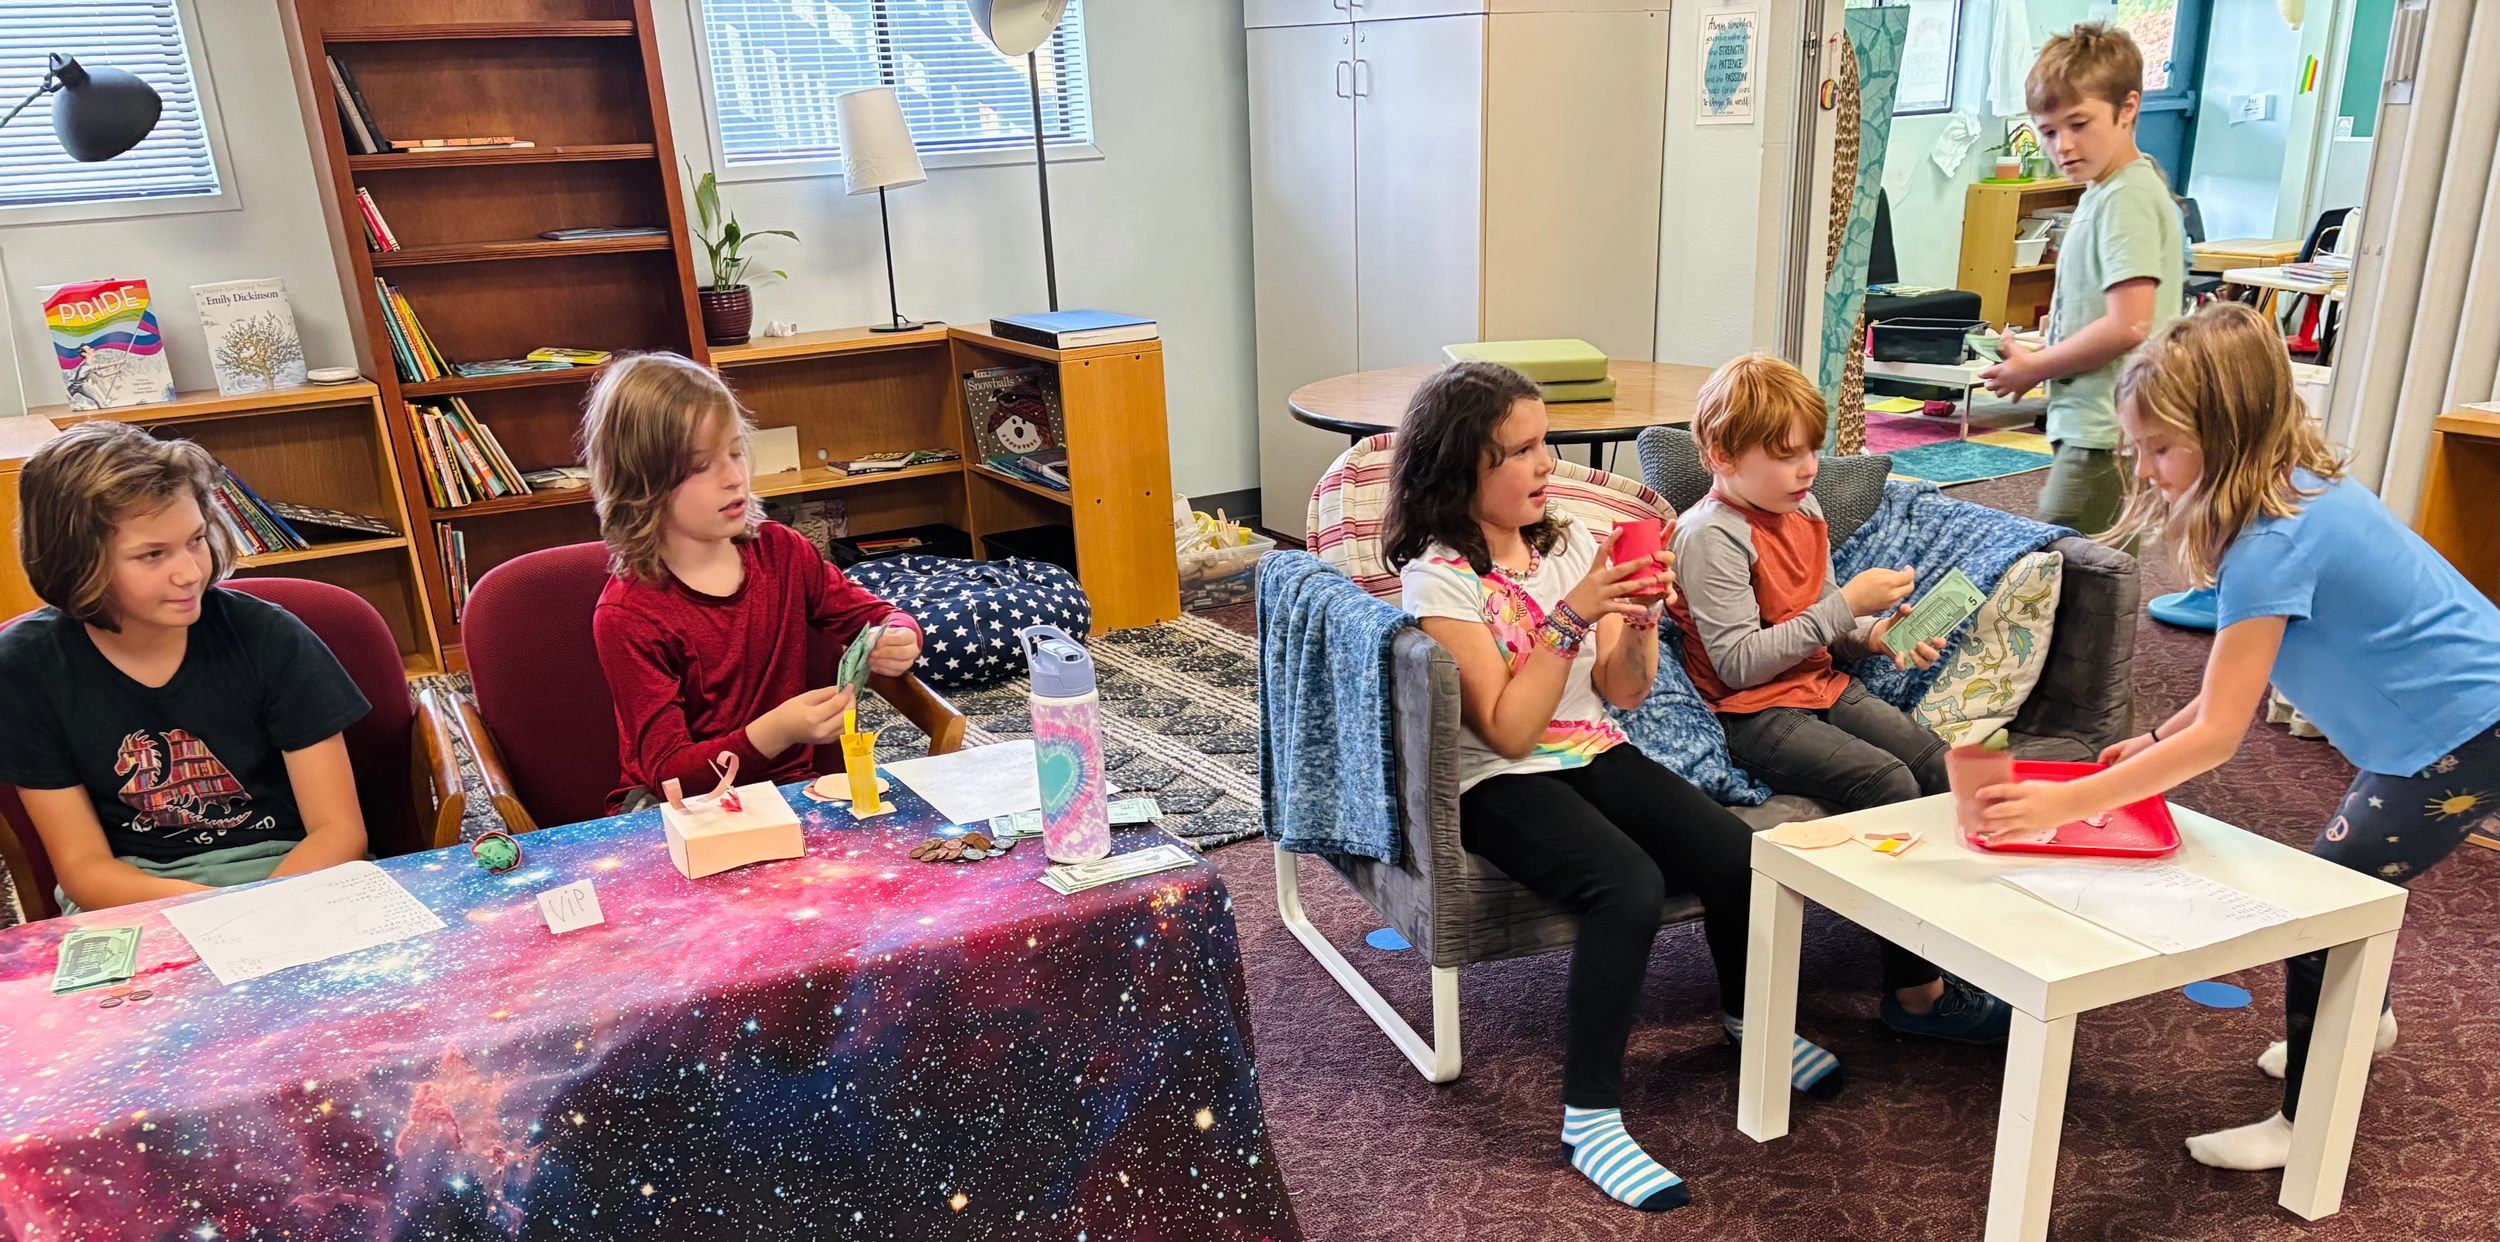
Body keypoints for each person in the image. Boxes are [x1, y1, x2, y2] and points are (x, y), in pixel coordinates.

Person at [1975, 303, 2500, 1171]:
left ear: (2227, 434)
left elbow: (2219, 736)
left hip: (2464, 730)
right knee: (2348, 890)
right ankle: (2362, 1019)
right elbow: (2235, 684)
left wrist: (2062, 806)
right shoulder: (2297, 490)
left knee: (2327, 906)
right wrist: (2153, 737)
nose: (2146, 471)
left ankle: (2303, 1127)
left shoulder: (2271, 545)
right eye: (2138, 448)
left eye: (2161, 449)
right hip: (2441, 724)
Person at [1386, 361, 1842, 1215]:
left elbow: (1622, 692)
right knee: (1625, 886)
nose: (1547, 464)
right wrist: (1571, 616)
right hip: (1497, 780)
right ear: (1462, 466)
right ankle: (1590, 1118)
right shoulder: (1438, 578)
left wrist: (1636, 621)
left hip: (1591, 746)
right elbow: (1509, 730)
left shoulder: (1563, 545)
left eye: (1545, 443)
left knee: (1740, 856)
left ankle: (1750, 1022)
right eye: (1521, 451)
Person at [1667, 353, 2012, 1043]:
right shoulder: (1710, 536)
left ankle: (1957, 940)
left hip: (1818, 683)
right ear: (1721, 456)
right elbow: (1738, 665)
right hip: (1752, 714)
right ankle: (1915, 992)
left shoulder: (1803, 507)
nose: (1808, 469)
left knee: (1939, 765)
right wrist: (1845, 607)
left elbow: (1824, 624)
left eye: (1813, 451)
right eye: (1786, 455)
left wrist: (1877, 634)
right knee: (1888, 783)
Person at [0, 421, 371, 912]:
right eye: (152, 554)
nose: (191, 572)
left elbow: (339, 831)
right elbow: (85, 869)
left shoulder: (269, 635)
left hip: (294, 872)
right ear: (75, 561)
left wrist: (261, 914)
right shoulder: (23, 668)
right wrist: (221, 917)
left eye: (196, 539)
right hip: (135, 892)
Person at [583, 353, 923, 813]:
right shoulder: (628, 616)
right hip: (682, 811)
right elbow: (668, 776)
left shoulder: (783, 551)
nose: (734, 477)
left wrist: (900, 633)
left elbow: (876, 616)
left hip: (789, 796)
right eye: (700, 466)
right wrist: (775, 732)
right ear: (641, 485)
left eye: (735, 452)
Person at [1980, 22, 2183, 545]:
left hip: (2106, 429)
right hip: (2097, 423)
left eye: (2079, 124)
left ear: (2128, 108)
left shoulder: (2125, 197)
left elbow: (2129, 324)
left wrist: (2035, 368)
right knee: (2093, 563)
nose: (2063, 146)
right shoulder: (2108, 190)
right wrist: (2046, 346)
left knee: (2060, 560)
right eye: (2048, 132)